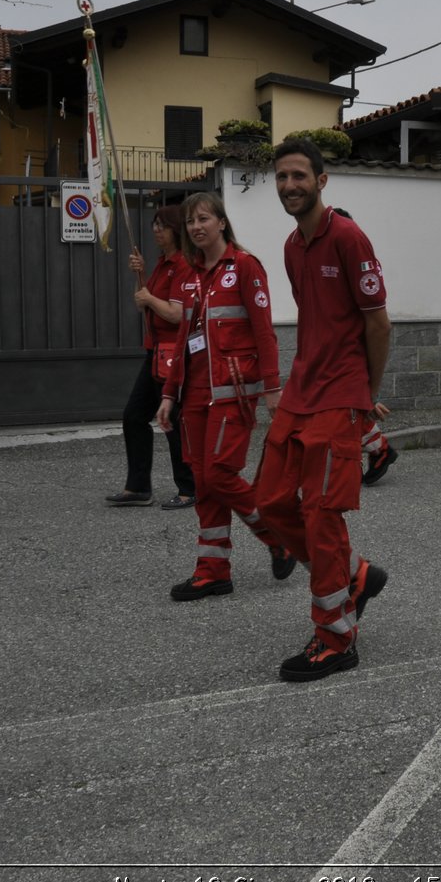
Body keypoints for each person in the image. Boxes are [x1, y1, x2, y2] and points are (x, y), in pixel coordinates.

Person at [253, 139, 392, 682]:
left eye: (299, 176)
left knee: (321, 514)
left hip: (340, 395)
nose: (290, 186)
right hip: (301, 391)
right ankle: (354, 579)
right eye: (282, 177)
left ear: (322, 180)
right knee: (270, 502)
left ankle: (337, 638)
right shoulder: (292, 246)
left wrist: (365, 393)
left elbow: (378, 322)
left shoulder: (349, 236)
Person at [157, 192, 288, 601]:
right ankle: (212, 570)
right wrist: (169, 393)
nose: (196, 228)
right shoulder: (190, 276)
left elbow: (265, 331)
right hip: (194, 395)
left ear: (222, 223)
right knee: (202, 481)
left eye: (203, 219)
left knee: (219, 474)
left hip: (235, 393)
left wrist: (272, 386)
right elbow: (183, 340)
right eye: (190, 222)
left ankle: (276, 536)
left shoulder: (245, 267)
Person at [108, 204, 195, 509]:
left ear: (176, 229)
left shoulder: (184, 264)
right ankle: (138, 487)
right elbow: (142, 305)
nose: (156, 229)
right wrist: (140, 275)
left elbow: (177, 314)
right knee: (134, 416)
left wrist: (149, 298)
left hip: (173, 354)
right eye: (154, 224)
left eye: (163, 225)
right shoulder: (160, 264)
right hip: (154, 351)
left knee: (172, 420)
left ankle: (189, 488)